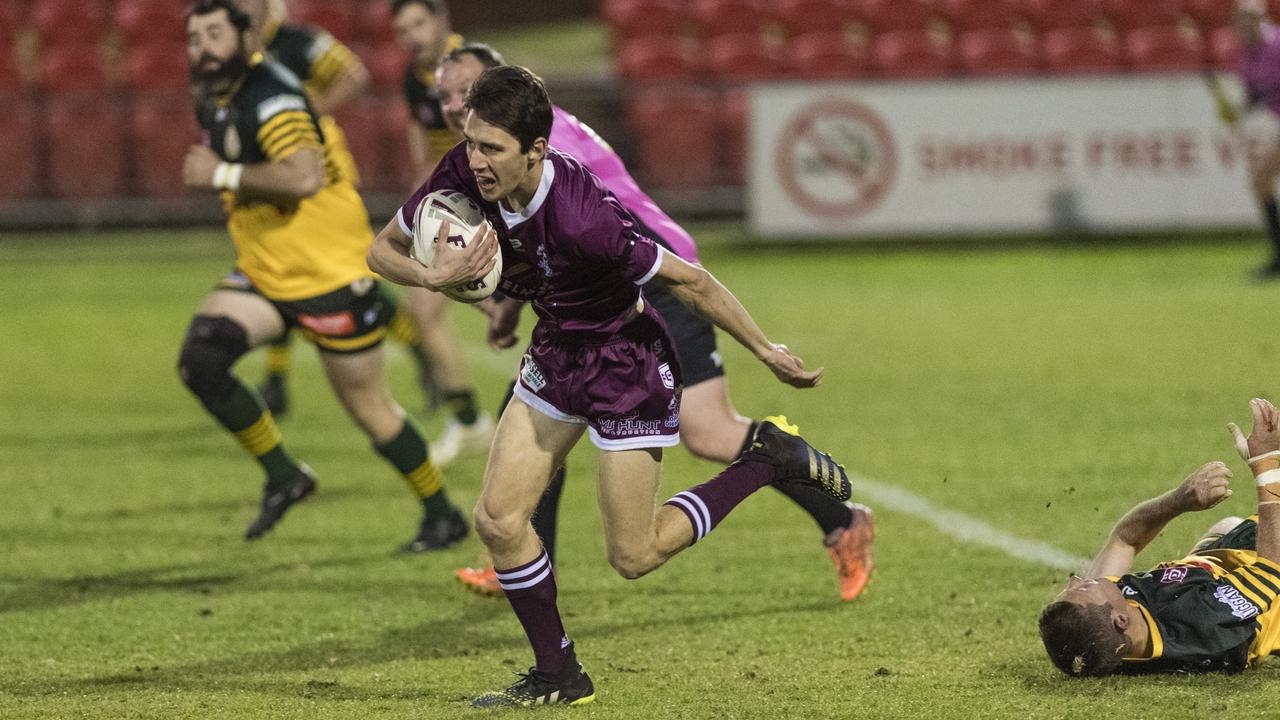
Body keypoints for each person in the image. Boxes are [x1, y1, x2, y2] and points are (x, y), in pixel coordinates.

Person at [367, 65, 853, 707]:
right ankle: (559, 675)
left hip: (625, 366)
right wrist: (433, 277)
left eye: (492, 148)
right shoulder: (463, 171)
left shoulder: (582, 216)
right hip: (555, 356)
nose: (476, 160)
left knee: (634, 554)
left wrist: (766, 350)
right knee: (498, 519)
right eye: (471, 141)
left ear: (537, 150)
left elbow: (691, 282)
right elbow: (381, 251)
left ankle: (768, 462)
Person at [434, 43, 874, 602]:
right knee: (562, 409)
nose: (452, 104)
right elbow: (550, 248)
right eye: (444, 95)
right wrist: (514, 304)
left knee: (692, 430)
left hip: (658, 280)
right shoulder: (503, 145)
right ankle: (516, 551)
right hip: (615, 285)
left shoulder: (538, 147)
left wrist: (764, 348)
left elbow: (572, 235)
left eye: (464, 90)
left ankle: (835, 512)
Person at [178, 0, 467, 552]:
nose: (202, 48)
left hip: (325, 272)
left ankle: (442, 512)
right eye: (193, 38)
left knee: (370, 410)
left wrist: (220, 172)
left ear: (245, 38)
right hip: (269, 270)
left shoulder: (273, 94)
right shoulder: (219, 93)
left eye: (214, 34)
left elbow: (304, 176)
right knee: (202, 360)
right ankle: (286, 476)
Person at [229, 0, 441, 424]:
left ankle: (421, 353)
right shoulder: (240, 54)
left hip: (319, 180)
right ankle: (276, 380)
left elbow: (353, 74)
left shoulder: (298, 42)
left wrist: (304, 116)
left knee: (353, 281)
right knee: (278, 272)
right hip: (275, 176)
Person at [1039, 398, 1280, 676]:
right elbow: (1271, 569)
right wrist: (1266, 465)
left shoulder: (1113, 633)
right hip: (1268, 583)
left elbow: (1124, 540)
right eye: (1081, 589)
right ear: (1119, 619)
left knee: (1227, 525)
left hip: (1216, 566)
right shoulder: (1201, 623)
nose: (1076, 579)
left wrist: (1180, 499)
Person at [382, 0, 493, 463]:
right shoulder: (414, 76)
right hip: (453, 199)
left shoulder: (471, 67)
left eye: (418, 23)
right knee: (424, 309)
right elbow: (419, 131)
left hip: (489, 193)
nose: (410, 35)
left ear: (442, 21)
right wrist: (422, 184)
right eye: (402, 28)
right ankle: (468, 420)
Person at [1212, 0, 1280, 278]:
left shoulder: (1277, 46)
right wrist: (1234, 111)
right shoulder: (1247, 54)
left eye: (1249, 19)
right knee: (1260, 182)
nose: (1243, 25)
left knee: (1260, 180)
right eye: (1239, 20)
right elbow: (1255, 98)